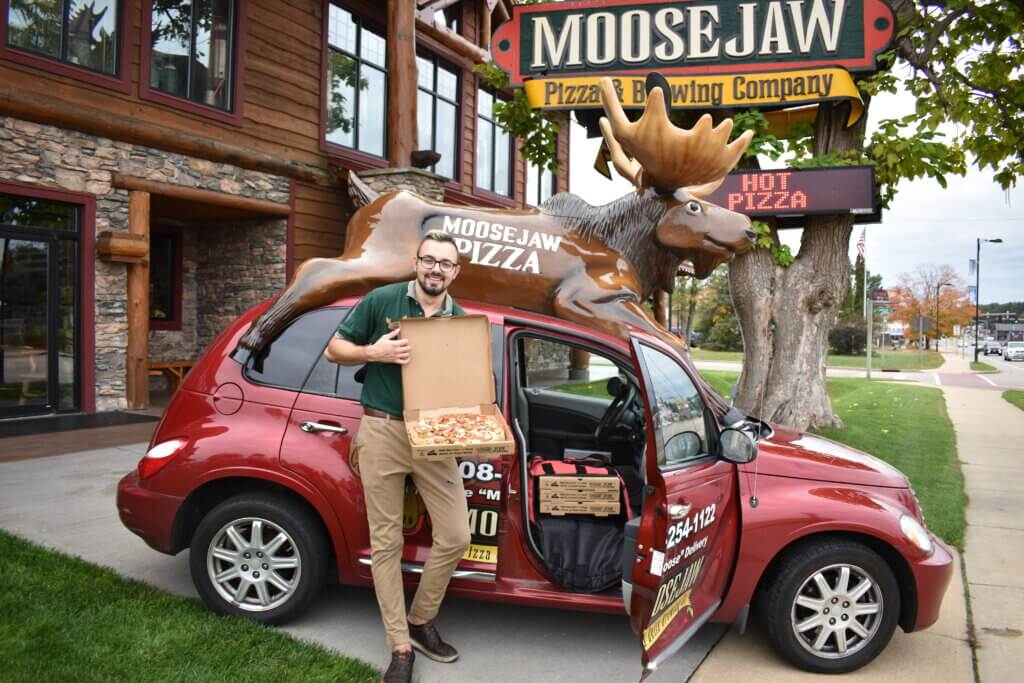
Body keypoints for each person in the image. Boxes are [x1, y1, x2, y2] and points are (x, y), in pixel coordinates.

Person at [324, 229, 472, 683]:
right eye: (429, 260)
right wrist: (375, 351)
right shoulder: (382, 300)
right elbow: (334, 350)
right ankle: (400, 646)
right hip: (383, 428)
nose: (435, 269)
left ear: (455, 271)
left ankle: (421, 618)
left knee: (456, 534)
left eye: (445, 264)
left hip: (434, 434)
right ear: (417, 261)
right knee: (386, 542)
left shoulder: (460, 318)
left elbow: (466, 384)